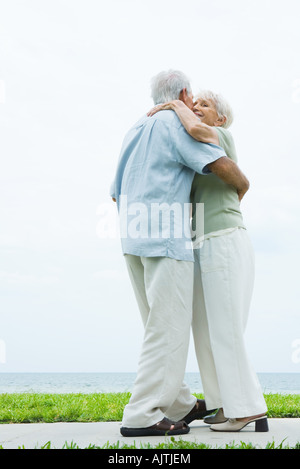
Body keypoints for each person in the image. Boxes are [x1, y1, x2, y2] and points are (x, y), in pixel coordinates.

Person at [110, 70, 250, 437]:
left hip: (132, 238)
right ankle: (141, 412)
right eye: (194, 100)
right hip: (166, 239)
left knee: (154, 324)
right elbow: (218, 164)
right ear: (184, 94)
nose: (195, 107)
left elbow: (114, 192)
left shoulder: (135, 129)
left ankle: (180, 403)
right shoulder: (175, 124)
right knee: (168, 328)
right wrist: (241, 186)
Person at [147, 90, 268, 432]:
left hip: (224, 239)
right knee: (206, 332)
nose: (196, 108)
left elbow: (199, 132)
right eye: (193, 103)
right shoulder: (197, 153)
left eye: (205, 105)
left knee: (227, 329)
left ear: (221, 119)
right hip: (201, 244)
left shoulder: (220, 136)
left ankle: (247, 408)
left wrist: (174, 105)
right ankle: (222, 404)